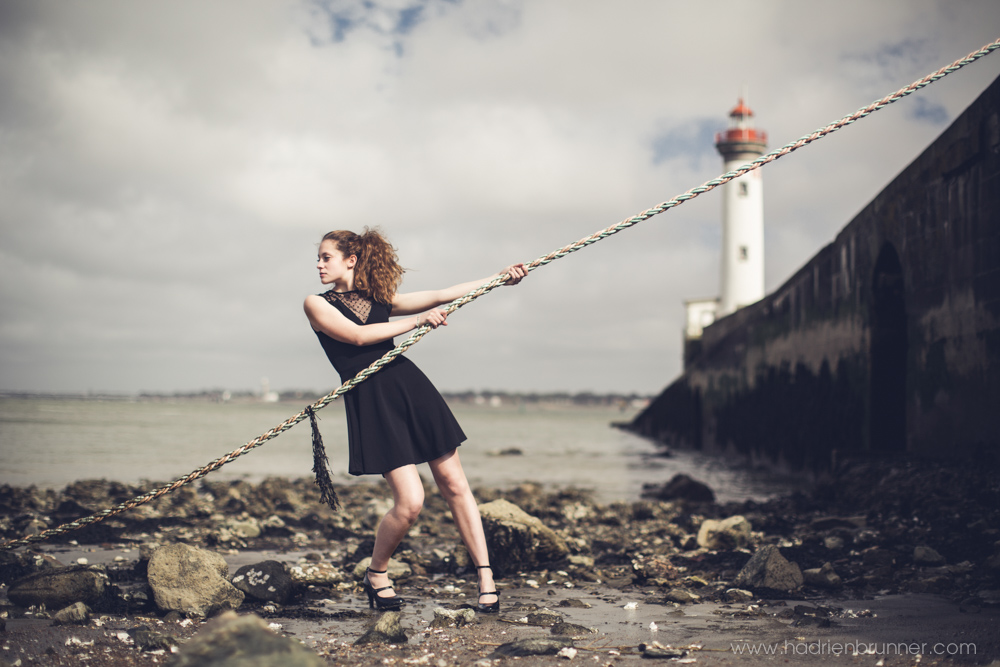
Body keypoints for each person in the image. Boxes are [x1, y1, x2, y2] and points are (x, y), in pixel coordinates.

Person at [303, 228, 528, 613]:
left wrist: (499, 278)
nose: (319, 264)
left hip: (409, 388)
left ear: (350, 260)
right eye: (319, 258)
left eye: (326, 257)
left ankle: (486, 578)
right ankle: (376, 574)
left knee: (455, 484)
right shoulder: (316, 304)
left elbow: (442, 294)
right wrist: (418, 322)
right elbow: (358, 338)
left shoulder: (378, 299)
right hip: (372, 401)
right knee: (410, 503)